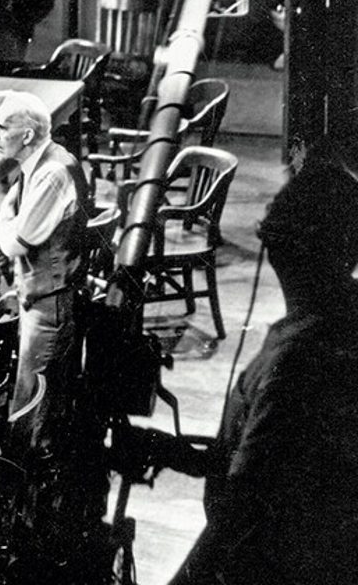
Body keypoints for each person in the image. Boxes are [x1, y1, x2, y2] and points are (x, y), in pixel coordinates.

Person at [141, 142, 358, 585]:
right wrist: (176, 453)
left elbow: (245, 501)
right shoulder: (329, 321)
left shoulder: (299, 358)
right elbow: (266, 459)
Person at [0, 91, 92, 580]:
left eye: (1, 126)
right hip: (38, 301)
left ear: (26, 134)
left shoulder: (50, 173)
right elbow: (12, 234)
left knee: (31, 418)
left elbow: (19, 238)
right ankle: (23, 525)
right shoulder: (35, 165)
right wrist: (8, 239)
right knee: (29, 413)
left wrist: (7, 236)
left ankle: (27, 541)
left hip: (49, 309)